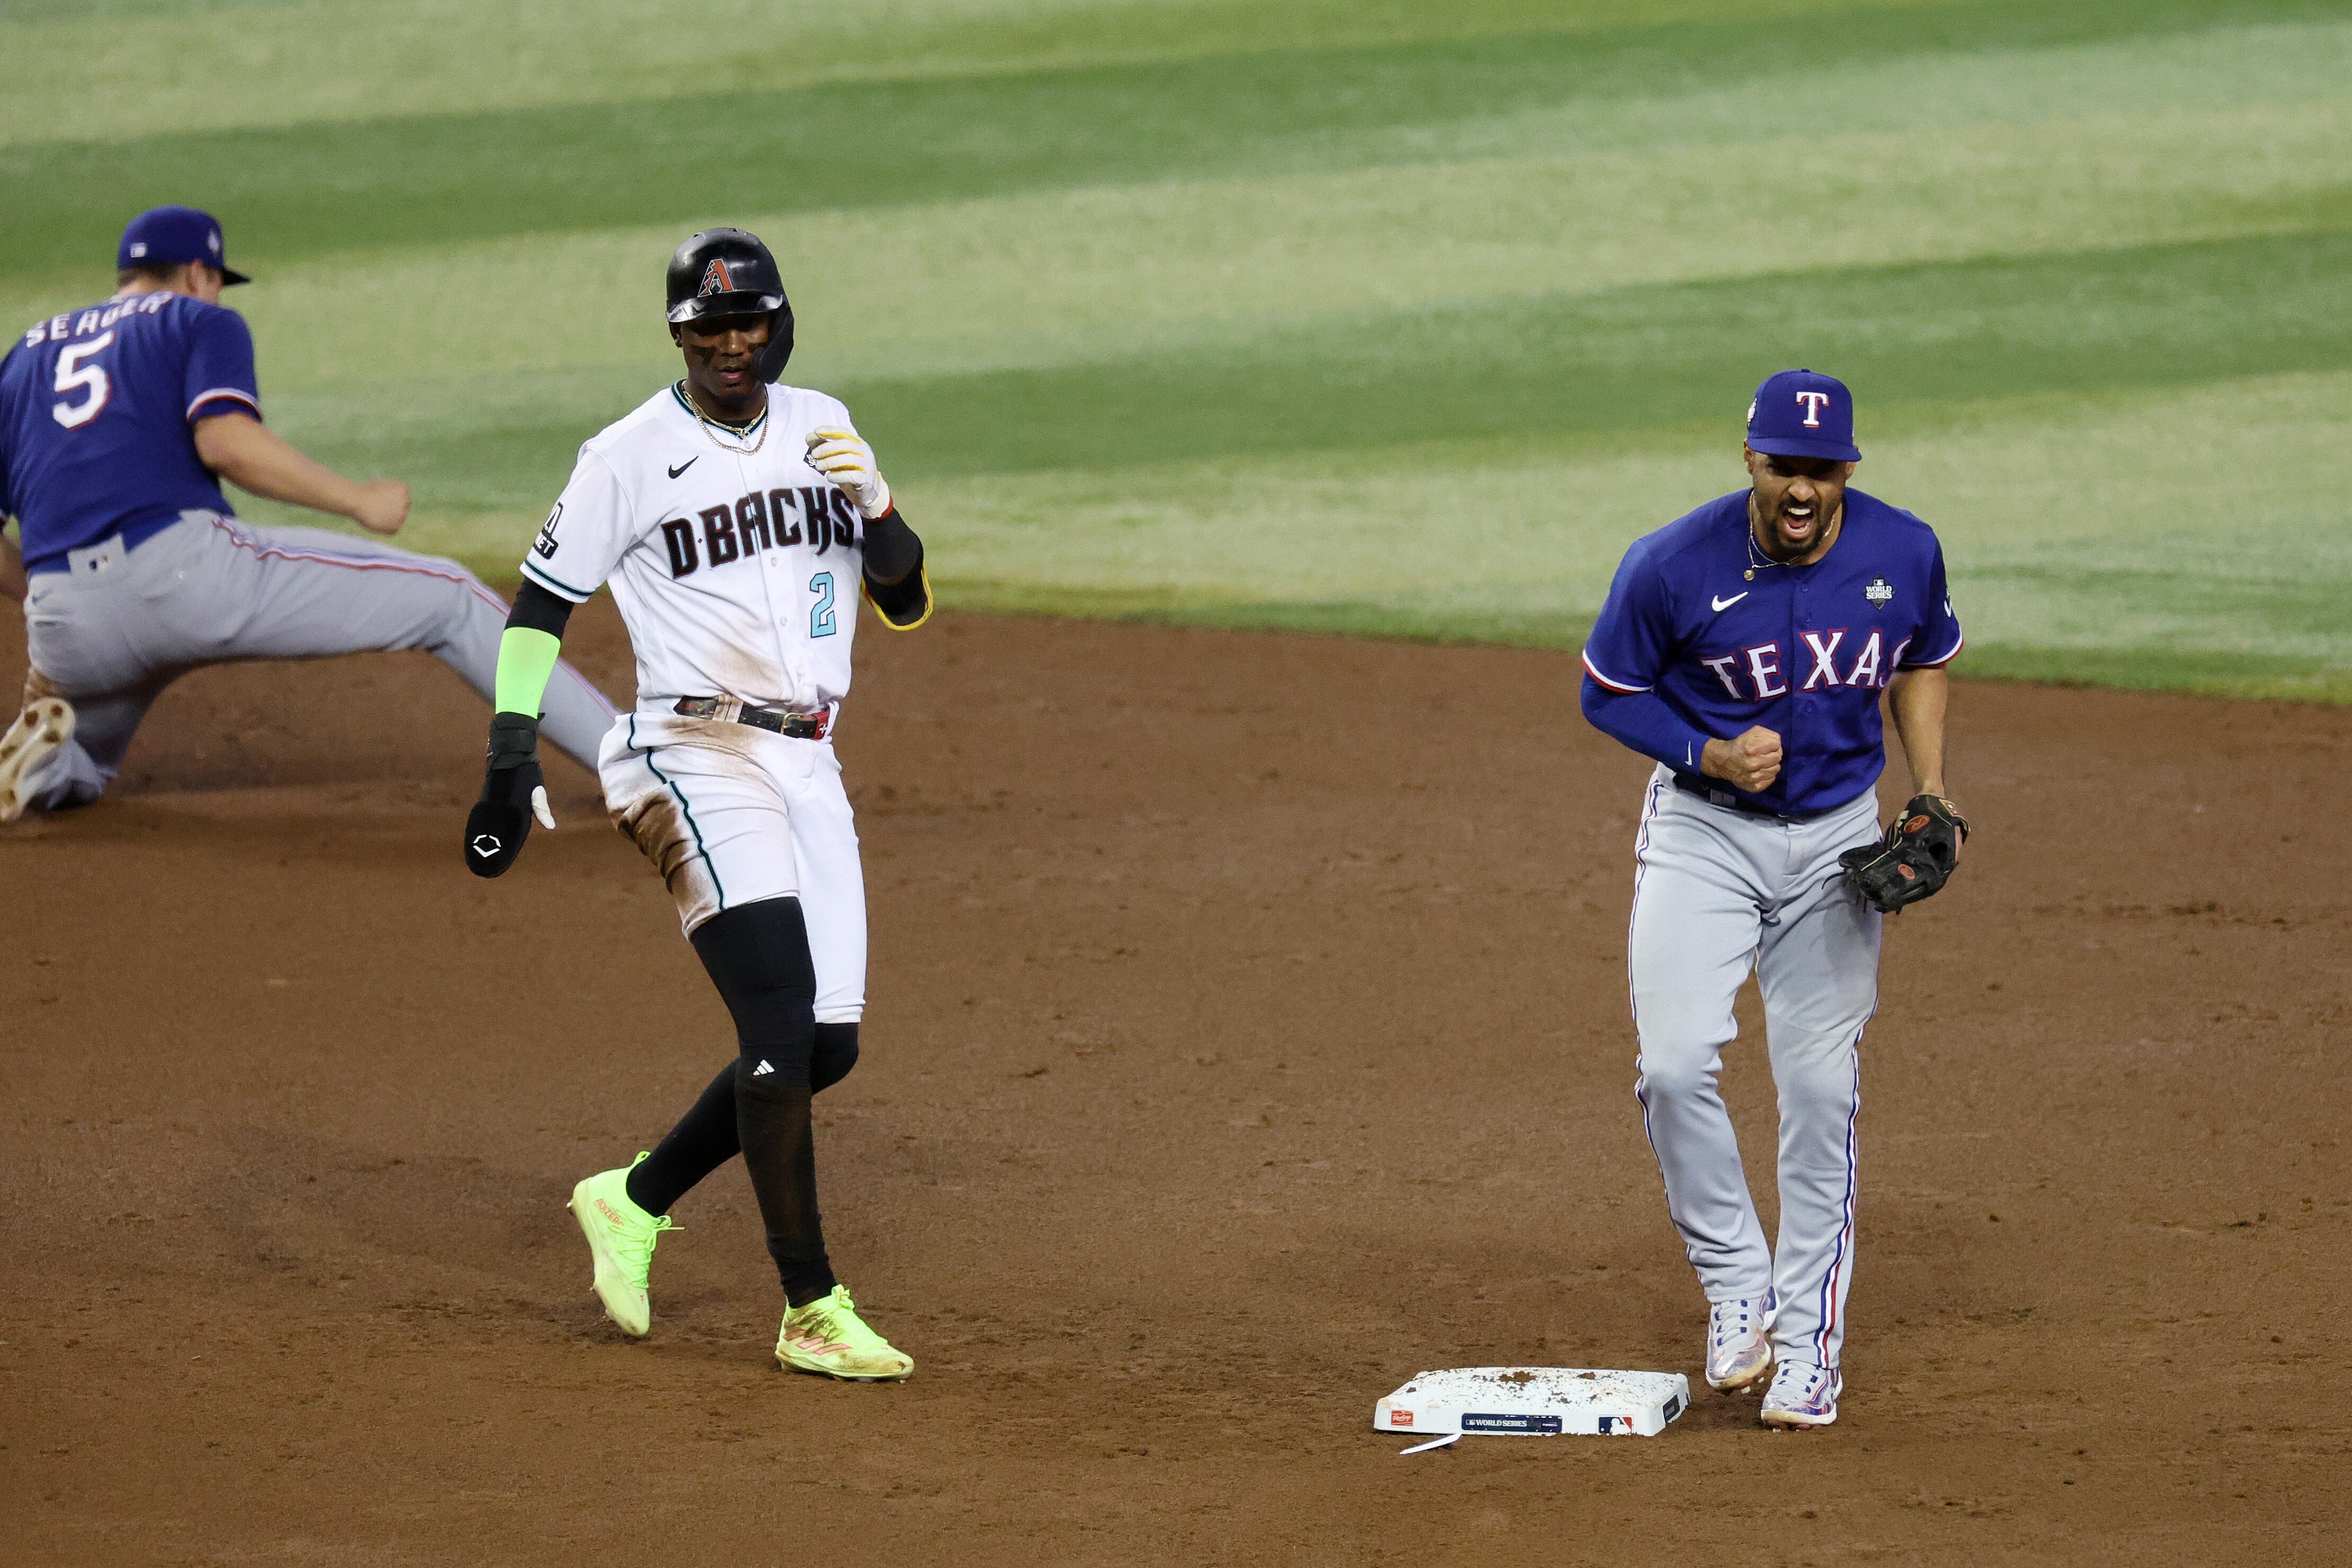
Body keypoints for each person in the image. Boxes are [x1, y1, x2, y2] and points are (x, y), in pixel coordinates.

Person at [462, 227, 932, 1381]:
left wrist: (875, 507)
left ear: (778, 325)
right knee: (773, 1025)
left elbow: (909, 600)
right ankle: (810, 1306)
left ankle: (629, 1198)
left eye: (748, 323)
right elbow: (536, 607)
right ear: (678, 334)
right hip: (687, 746)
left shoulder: (824, 421)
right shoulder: (626, 454)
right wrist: (510, 750)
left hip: (807, 760)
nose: (730, 343)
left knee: (826, 1046)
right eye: (706, 327)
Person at [1578, 370, 1968, 1429]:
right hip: (1703, 835)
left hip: (1838, 838)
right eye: (1780, 466)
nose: (1800, 487)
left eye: (1820, 468)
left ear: (1846, 468)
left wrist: (1927, 789)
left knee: (1818, 1092)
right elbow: (1604, 690)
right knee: (1668, 1066)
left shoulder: (1902, 550)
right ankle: (1735, 1288)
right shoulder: (1669, 564)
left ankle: (1804, 1346)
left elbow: (1923, 659)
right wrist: (1701, 747)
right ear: (1748, 459)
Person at [0, 206, 614, 821]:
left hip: (65, 622)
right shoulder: (196, 320)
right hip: (186, 580)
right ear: (194, 273)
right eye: (215, 279)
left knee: (85, 763)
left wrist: (51, 597)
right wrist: (357, 500)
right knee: (450, 597)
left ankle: (49, 771)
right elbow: (225, 442)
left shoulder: (23, 358)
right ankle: (642, 769)